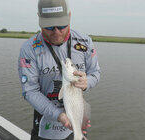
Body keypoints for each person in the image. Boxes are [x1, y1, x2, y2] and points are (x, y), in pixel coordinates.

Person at [18, 0, 100, 139]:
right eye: (49, 27)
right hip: (45, 124)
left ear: (69, 16)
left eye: (62, 25)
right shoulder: (29, 49)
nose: (56, 32)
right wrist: (58, 115)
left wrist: (88, 82)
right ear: (39, 18)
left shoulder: (85, 42)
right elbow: (30, 91)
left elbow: (95, 73)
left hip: (77, 116)